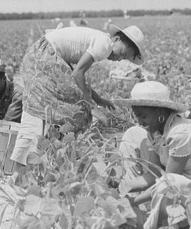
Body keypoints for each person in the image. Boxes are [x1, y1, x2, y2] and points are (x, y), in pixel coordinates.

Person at [10, 24, 145, 170]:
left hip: (39, 55)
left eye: (123, 59)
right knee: (73, 110)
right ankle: (51, 156)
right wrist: (92, 107)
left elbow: (75, 77)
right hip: (43, 57)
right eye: (123, 54)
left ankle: (45, 155)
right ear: (117, 39)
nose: (119, 59)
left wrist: (98, 100)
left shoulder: (100, 41)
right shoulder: (105, 44)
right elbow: (77, 74)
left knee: (41, 108)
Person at [115, 81, 191, 228]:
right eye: (137, 117)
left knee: (167, 184)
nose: (140, 122)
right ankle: (142, 211)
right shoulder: (155, 131)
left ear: (160, 112)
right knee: (133, 133)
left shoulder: (181, 133)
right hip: (175, 184)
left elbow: (169, 183)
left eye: (143, 116)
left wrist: (131, 202)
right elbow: (154, 175)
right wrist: (120, 189)